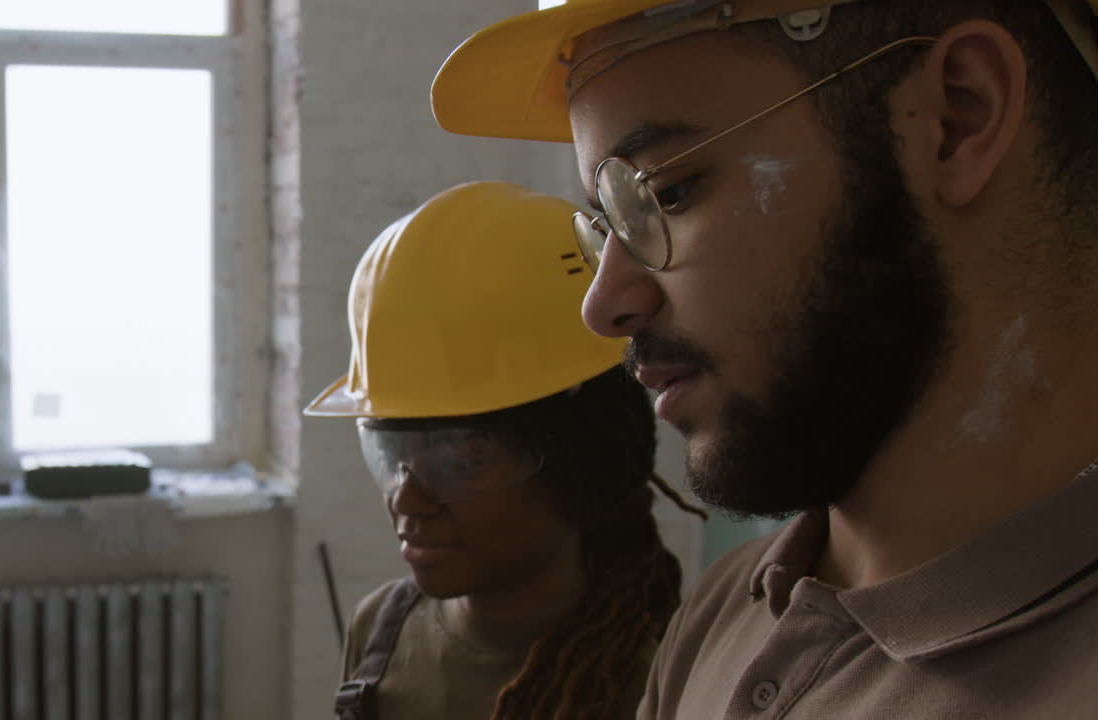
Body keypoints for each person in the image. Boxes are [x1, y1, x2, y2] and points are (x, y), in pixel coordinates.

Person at [431, 1, 1098, 718]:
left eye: (664, 192)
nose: (604, 306)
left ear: (958, 118)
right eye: (604, 225)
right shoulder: (727, 612)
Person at [305, 181, 703, 720]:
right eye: (392, 455)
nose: (407, 501)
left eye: (460, 461)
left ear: (581, 462)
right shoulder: (381, 631)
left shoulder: (662, 676)